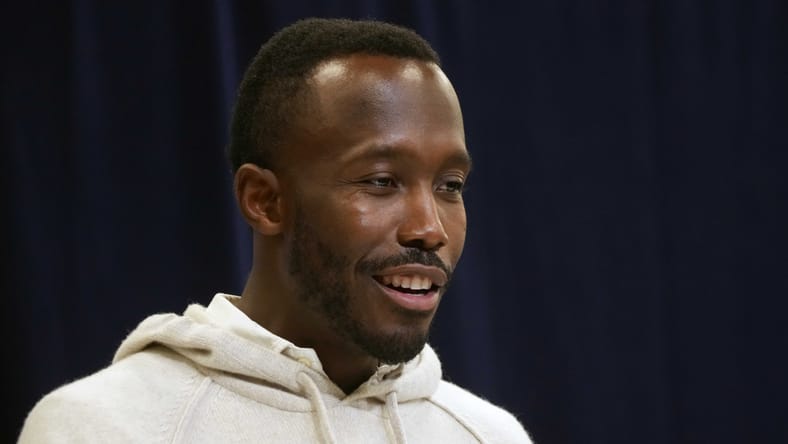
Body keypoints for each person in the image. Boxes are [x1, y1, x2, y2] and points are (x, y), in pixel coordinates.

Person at [19, 18, 532, 443]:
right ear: (264, 200)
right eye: (381, 181)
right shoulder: (100, 428)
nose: (429, 228)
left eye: (450, 185)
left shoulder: (490, 435)